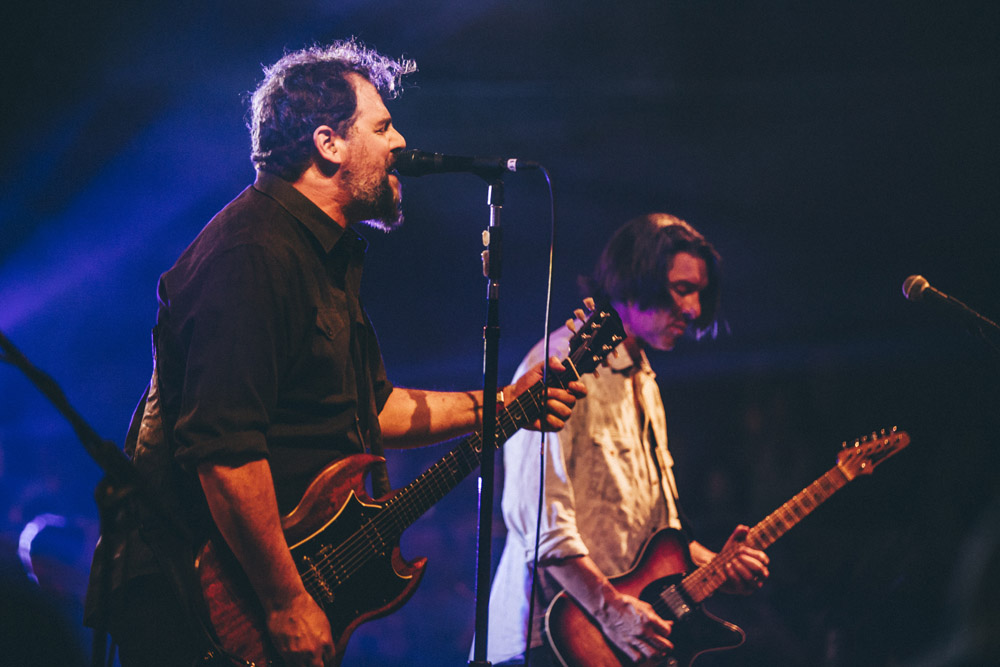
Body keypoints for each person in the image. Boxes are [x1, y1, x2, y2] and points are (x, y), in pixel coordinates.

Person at [83, 39, 585, 667]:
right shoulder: (251, 255)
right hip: (196, 601)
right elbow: (225, 451)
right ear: (329, 143)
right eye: (382, 127)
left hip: (263, 593)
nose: (400, 142)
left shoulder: (322, 255)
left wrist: (507, 403)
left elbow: (373, 410)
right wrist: (285, 600)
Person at [484, 213, 770, 665]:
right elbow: (537, 522)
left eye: (699, 293)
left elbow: (647, 541)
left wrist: (714, 566)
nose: (694, 309)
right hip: (545, 641)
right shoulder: (562, 363)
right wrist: (612, 610)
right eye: (681, 289)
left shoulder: (645, 381)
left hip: (613, 638)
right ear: (632, 280)